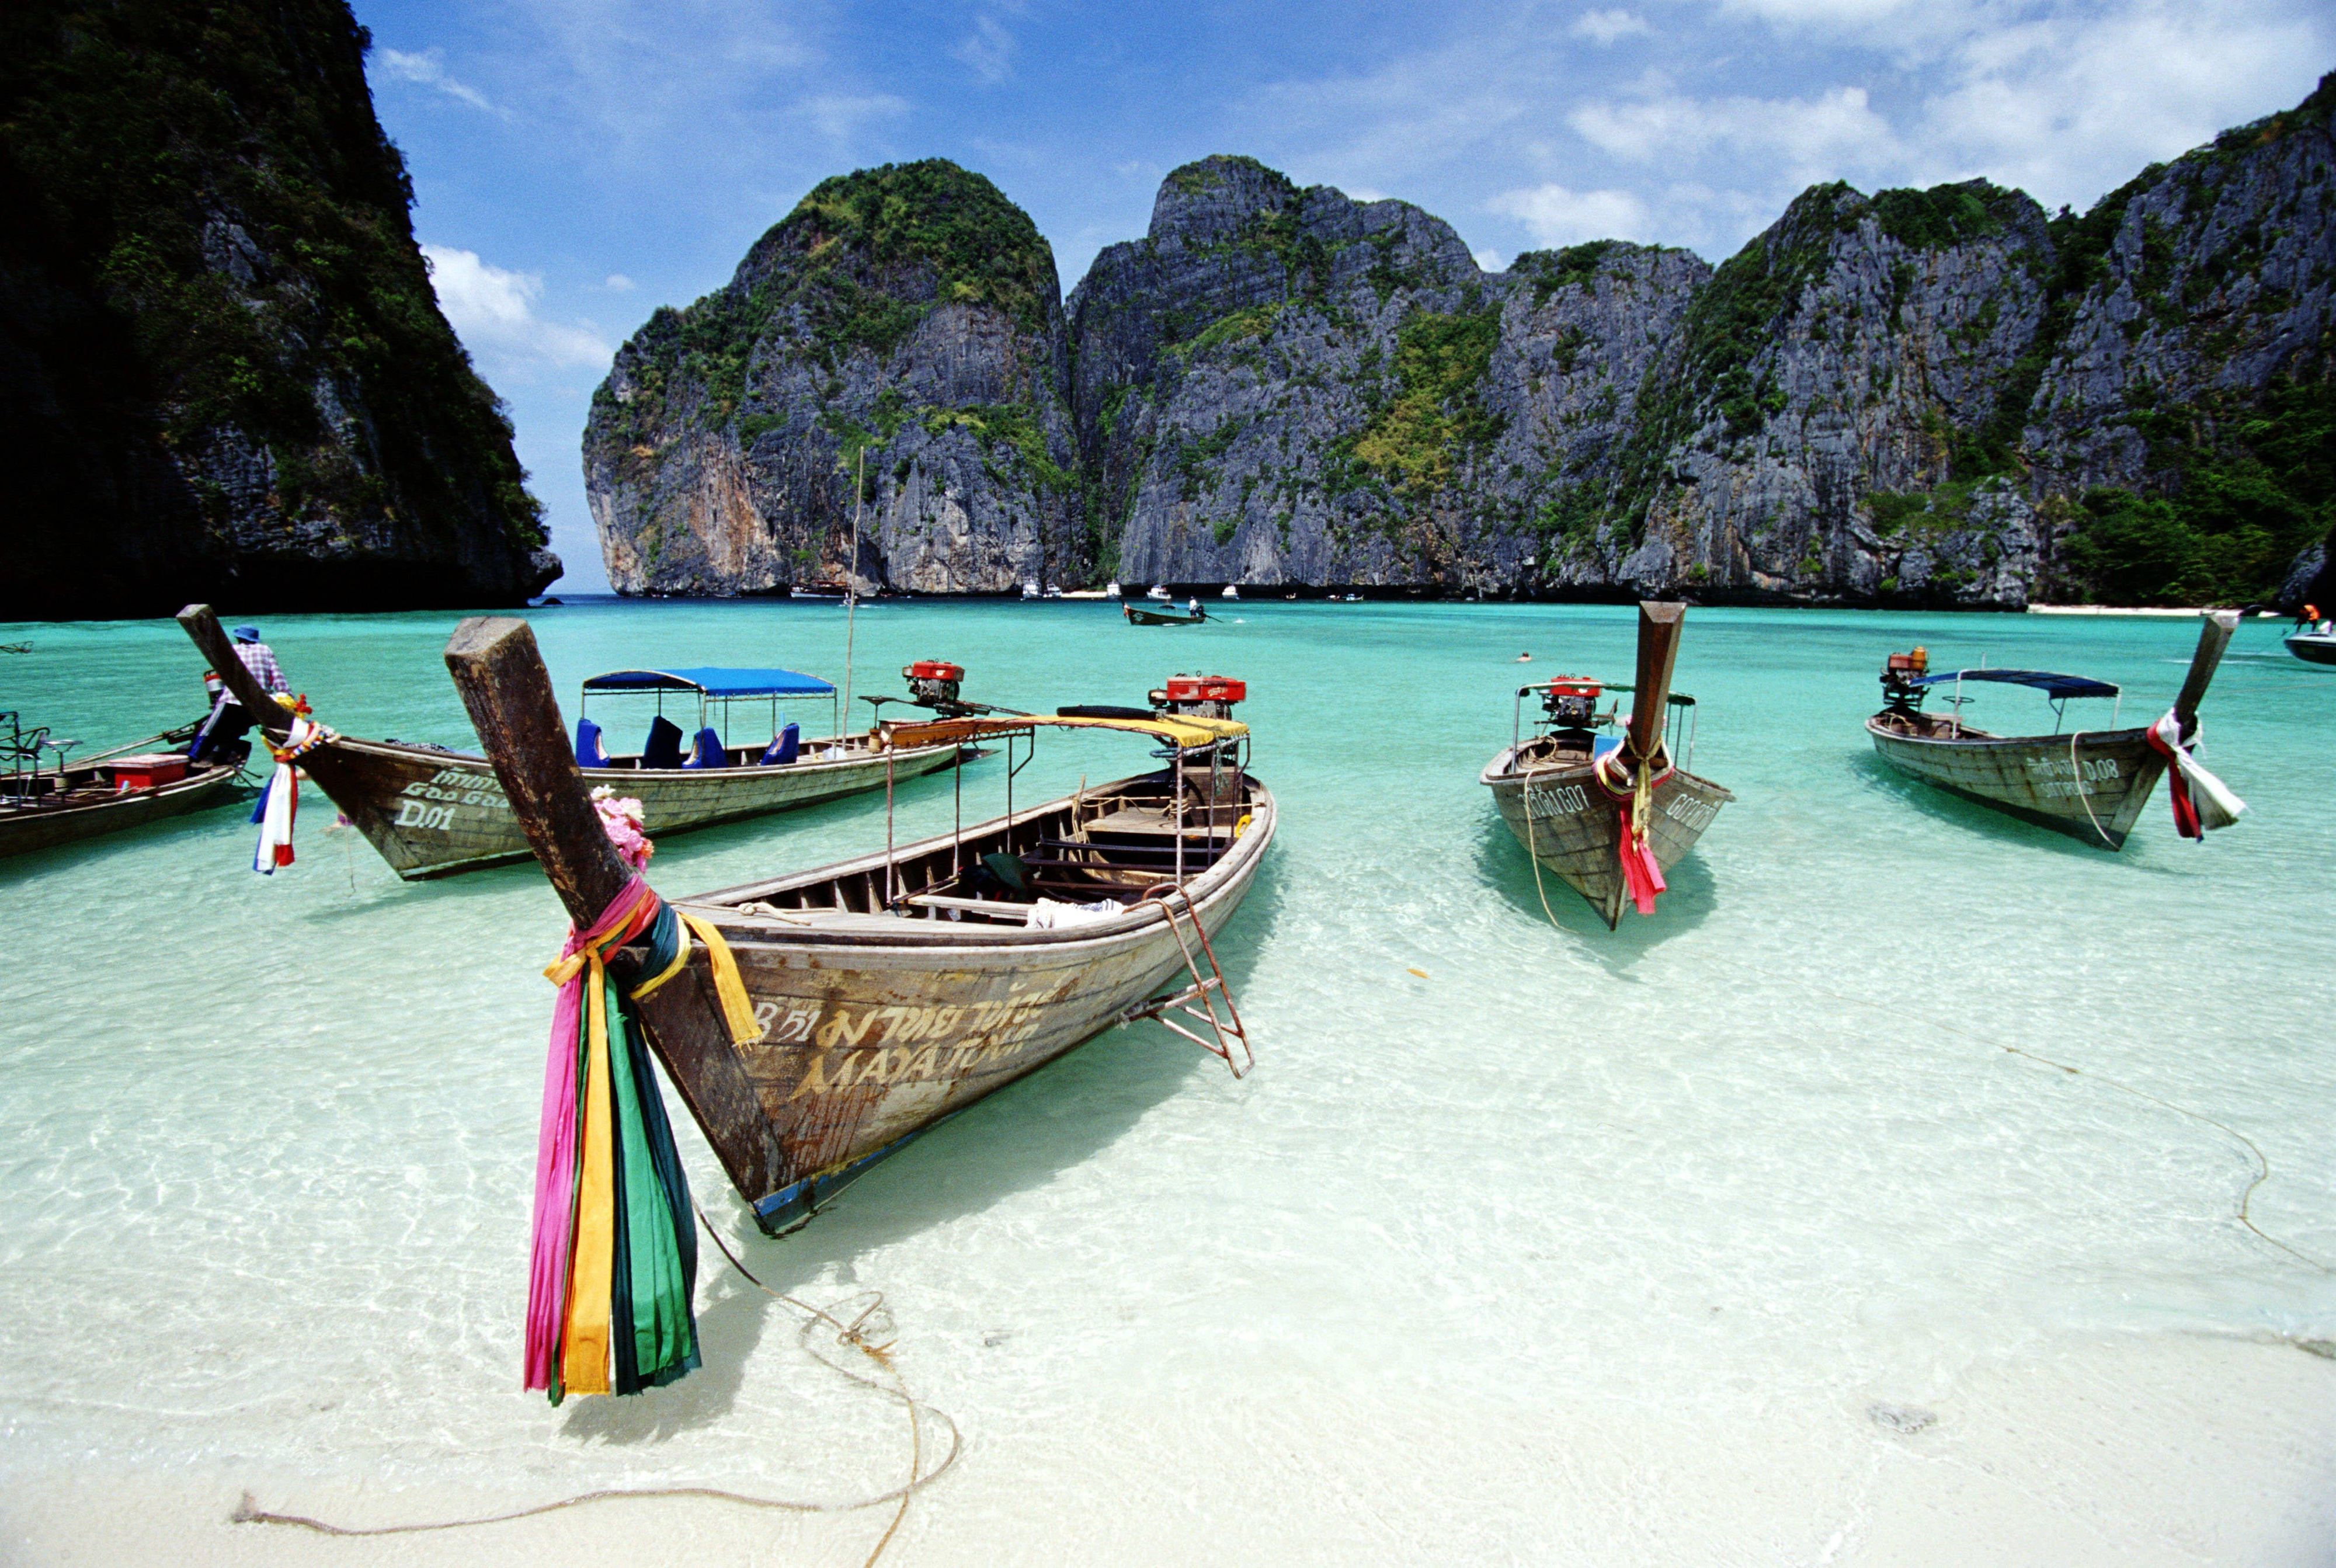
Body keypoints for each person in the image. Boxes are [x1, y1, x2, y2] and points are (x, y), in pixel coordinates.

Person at [191, 625, 291, 762]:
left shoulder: (232, 650)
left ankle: (194, 756)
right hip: (259, 704)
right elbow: (278, 678)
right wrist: (288, 699)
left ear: (238, 638)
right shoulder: (265, 650)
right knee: (234, 731)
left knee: (210, 729)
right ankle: (220, 759)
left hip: (232, 700)